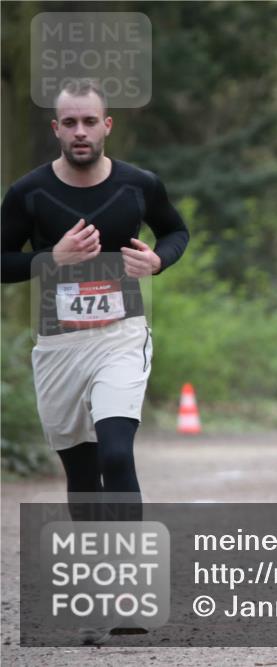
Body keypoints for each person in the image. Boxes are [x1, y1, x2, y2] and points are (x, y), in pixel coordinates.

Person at [1, 79, 189, 643]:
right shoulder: (28, 193)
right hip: (58, 347)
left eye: (90, 122)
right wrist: (46, 261)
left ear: (108, 126)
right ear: (55, 129)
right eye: (70, 123)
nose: (80, 132)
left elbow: (176, 231)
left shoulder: (139, 185)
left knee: (115, 451)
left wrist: (158, 262)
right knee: (82, 473)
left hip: (121, 336)